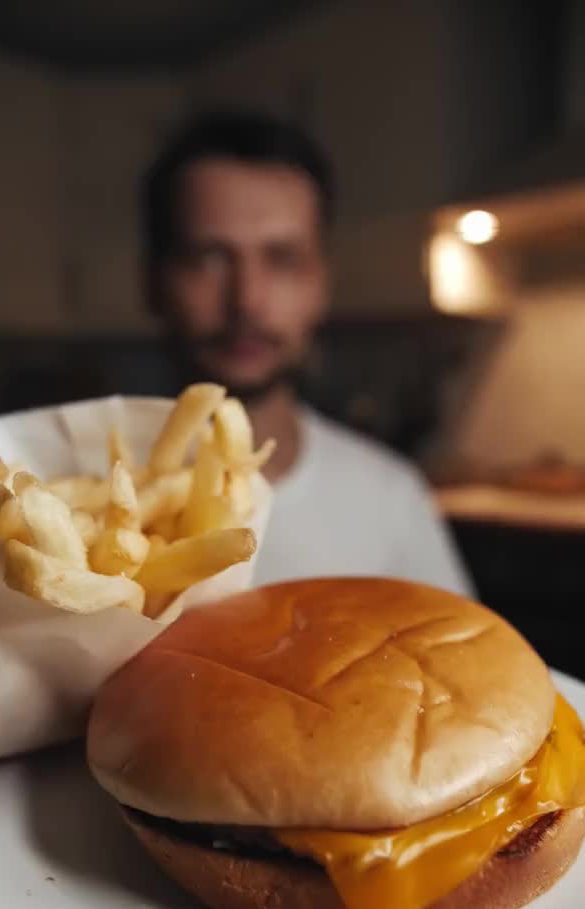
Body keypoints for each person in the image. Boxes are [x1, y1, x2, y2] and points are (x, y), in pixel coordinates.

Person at [141, 109, 472, 596]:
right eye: (208, 257)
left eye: (283, 260)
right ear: (153, 282)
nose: (246, 301)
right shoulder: (77, 488)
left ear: (322, 284)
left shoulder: (391, 494)